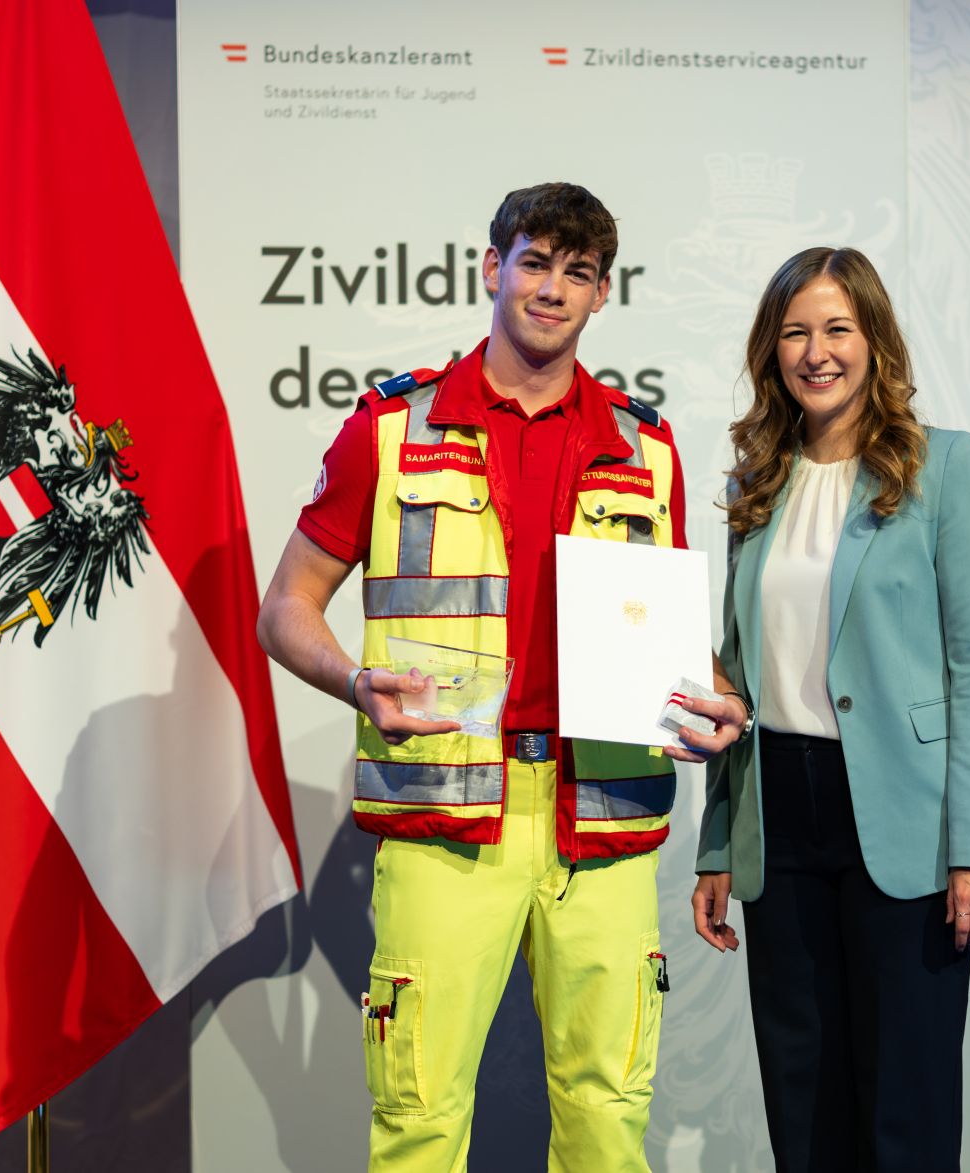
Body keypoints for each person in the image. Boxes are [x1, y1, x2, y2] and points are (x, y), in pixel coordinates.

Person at [257, 182, 688, 1172]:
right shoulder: (388, 429)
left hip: (601, 813)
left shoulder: (645, 447)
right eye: (534, 263)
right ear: (491, 269)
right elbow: (285, 606)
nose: (551, 289)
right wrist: (352, 679)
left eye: (576, 273)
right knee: (417, 1121)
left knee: (608, 1116)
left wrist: (701, 703)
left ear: (600, 295)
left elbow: (663, 645)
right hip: (445, 818)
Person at [667, 246, 970, 1171]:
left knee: (902, 1116)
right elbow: (737, 683)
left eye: (837, 328)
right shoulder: (758, 483)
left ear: (874, 339)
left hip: (907, 823)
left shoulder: (943, 467)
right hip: (778, 815)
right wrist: (717, 844)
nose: (815, 351)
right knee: (803, 1105)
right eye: (795, 332)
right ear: (770, 350)